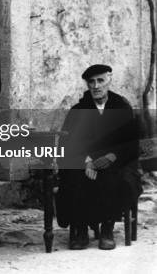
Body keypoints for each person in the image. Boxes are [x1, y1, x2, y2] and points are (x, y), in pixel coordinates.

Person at [57, 64, 142, 250]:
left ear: (109, 80)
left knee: (115, 176)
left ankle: (107, 227)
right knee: (73, 174)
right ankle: (79, 229)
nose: (96, 86)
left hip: (115, 163)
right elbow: (68, 144)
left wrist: (113, 155)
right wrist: (85, 162)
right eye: (91, 82)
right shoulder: (78, 110)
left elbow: (131, 143)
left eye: (100, 80)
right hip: (85, 162)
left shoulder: (122, 108)